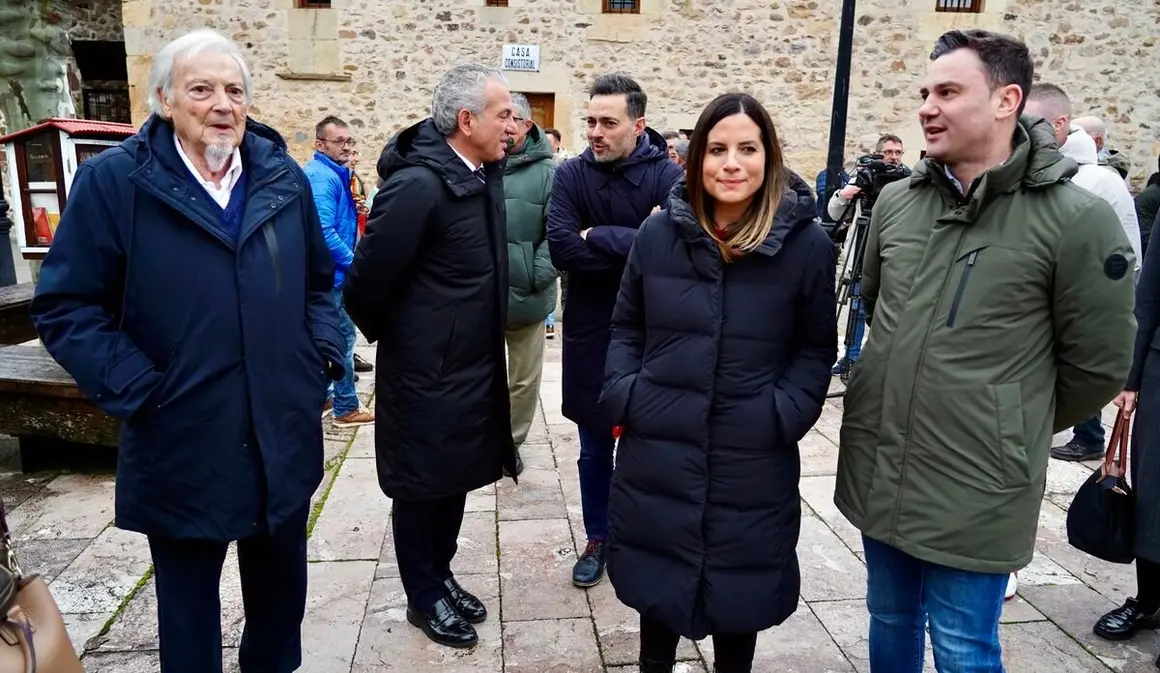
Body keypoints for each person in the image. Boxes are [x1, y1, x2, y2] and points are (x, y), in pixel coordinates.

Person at [28, 29, 344, 673]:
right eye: (201, 90)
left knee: (280, 609)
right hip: (182, 435)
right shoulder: (115, 184)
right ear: (165, 100)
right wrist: (143, 390)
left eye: (234, 90)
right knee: (189, 623)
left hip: (280, 431)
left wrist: (321, 359)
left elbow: (317, 283)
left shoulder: (279, 176)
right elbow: (67, 307)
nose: (221, 104)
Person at [836, 29, 1136, 672]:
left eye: (948, 91)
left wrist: (1008, 417)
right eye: (924, 92)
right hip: (881, 460)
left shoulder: (1075, 218)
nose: (926, 107)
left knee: (964, 646)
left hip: (979, 478)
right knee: (887, 619)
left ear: (1007, 100)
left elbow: (1098, 363)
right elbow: (875, 300)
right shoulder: (896, 203)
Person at [601, 92, 837, 673]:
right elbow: (626, 326)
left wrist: (782, 413)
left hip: (751, 454)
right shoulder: (657, 237)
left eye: (747, 149)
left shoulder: (805, 247)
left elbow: (814, 349)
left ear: (769, 156)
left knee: (740, 599)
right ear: (695, 157)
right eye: (717, 149)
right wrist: (629, 392)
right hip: (659, 446)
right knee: (657, 591)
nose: (731, 163)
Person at [342, 63, 520, 650]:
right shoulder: (419, 185)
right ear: (466, 121)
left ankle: (440, 575)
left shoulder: (481, 174)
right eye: (503, 115)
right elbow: (367, 282)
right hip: (427, 373)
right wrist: (419, 338)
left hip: (471, 368)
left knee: (455, 478)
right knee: (421, 485)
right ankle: (423, 596)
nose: (512, 125)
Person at [546, 72, 683, 589]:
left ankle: (646, 538)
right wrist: (639, 240)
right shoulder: (572, 176)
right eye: (590, 121)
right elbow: (562, 248)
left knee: (654, 445)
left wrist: (597, 235)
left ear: (638, 125)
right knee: (593, 446)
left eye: (608, 122)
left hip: (657, 332)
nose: (595, 132)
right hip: (591, 329)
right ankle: (599, 536)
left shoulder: (668, 181)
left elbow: (673, 252)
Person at [1023, 85, 1142, 463]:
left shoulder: (1088, 180)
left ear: (1059, 124)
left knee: (1079, 355)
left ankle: (1088, 435)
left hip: (1089, 291)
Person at [305, 116, 375, 427]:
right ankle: (346, 408)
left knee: (328, 339)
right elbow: (324, 231)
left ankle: (323, 397)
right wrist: (354, 263)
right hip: (332, 275)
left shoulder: (333, 173)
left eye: (350, 141)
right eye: (339, 142)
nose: (347, 147)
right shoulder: (324, 178)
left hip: (330, 274)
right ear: (320, 144)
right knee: (343, 340)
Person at [502, 93, 558, 474]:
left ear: (527, 125)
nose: (504, 126)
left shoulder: (550, 172)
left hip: (527, 292)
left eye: (511, 118)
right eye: (499, 116)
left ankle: (511, 442)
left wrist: (530, 275)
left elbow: (559, 234)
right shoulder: (479, 163)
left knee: (522, 379)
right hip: (480, 293)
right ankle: (480, 437)